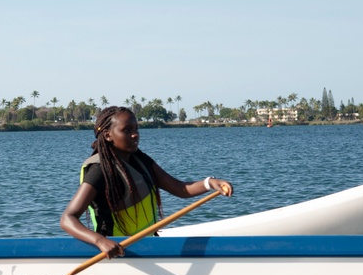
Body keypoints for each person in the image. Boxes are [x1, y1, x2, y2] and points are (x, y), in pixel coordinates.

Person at [60, 106, 233, 257]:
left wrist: (210, 183)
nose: (135, 134)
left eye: (136, 129)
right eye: (127, 130)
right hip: (116, 251)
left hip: (146, 247)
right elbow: (68, 219)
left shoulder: (141, 161)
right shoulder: (98, 171)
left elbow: (181, 189)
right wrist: (100, 241)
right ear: (107, 135)